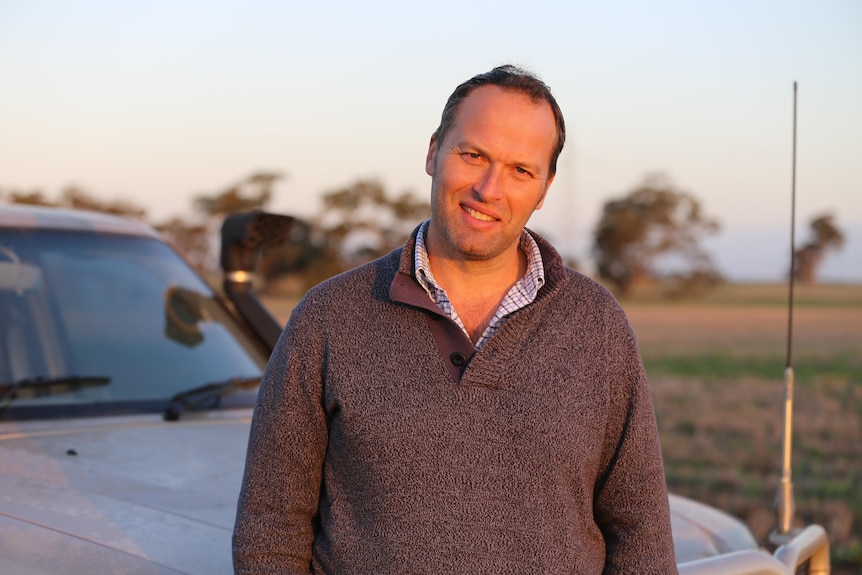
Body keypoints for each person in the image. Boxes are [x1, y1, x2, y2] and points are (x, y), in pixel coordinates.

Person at [233, 65, 678, 575]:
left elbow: (640, 530)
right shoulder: (327, 318)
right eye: (473, 155)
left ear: (545, 186)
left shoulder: (596, 325)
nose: (489, 188)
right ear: (432, 153)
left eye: (520, 170)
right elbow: (271, 528)